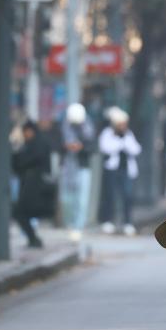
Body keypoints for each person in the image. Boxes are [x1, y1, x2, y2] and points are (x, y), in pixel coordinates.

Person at [99, 107, 141, 236]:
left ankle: (127, 223)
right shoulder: (107, 133)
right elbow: (105, 148)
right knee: (110, 196)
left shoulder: (128, 135)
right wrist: (119, 143)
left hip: (126, 171)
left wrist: (124, 142)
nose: (122, 127)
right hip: (112, 170)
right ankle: (108, 221)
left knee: (127, 196)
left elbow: (136, 149)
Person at [12, 120, 54, 248]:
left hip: (36, 187)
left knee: (20, 213)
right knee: (21, 213)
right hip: (29, 185)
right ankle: (33, 239)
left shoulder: (38, 144)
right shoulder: (29, 144)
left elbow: (24, 161)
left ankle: (33, 239)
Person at [60, 103, 95, 240]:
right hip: (67, 167)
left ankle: (78, 226)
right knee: (66, 199)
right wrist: (66, 146)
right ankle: (69, 223)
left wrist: (81, 147)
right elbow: (56, 144)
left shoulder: (88, 128)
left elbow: (93, 146)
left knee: (81, 199)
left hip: (82, 167)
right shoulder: (63, 128)